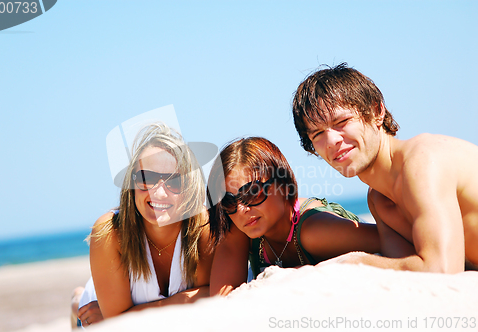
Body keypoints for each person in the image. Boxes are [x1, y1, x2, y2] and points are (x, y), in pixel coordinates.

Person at [292, 63, 478, 273]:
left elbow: (441, 270)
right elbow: (402, 267)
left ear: (376, 111)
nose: (331, 140)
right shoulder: (379, 199)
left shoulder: (423, 162)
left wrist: (353, 262)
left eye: (342, 121)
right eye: (317, 134)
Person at [73, 123, 213, 328]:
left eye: (174, 182)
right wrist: (184, 300)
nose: (159, 193)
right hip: (94, 310)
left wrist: (124, 314)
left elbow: (212, 295)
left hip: (112, 310)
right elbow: (119, 326)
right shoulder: (109, 232)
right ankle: (76, 300)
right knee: (82, 306)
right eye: (147, 178)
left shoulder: (201, 226)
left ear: (190, 188)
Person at [207, 136, 380, 296]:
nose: (241, 209)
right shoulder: (240, 225)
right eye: (228, 201)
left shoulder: (315, 230)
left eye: (252, 192)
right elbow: (221, 302)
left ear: (284, 186)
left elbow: (386, 240)